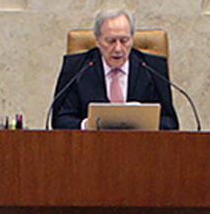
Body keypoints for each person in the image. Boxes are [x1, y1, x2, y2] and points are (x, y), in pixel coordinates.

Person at [49, 9, 178, 129]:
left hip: (141, 147)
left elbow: (170, 122)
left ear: (132, 39)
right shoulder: (78, 68)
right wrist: (87, 125)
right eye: (110, 41)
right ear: (97, 40)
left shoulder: (151, 67)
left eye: (124, 40)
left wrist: (145, 123)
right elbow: (60, 120)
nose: (118, 49)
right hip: (90, 147)